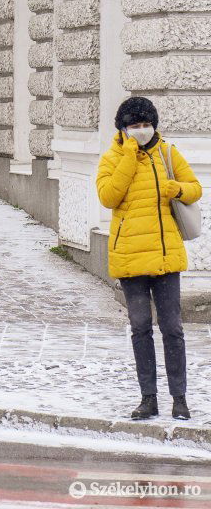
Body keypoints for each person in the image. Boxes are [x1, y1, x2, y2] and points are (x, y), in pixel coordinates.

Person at [96, 97, 201, 421]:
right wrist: (129, 156)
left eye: (146, 124)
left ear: (153, 125)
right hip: (130, 257)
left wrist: (177, 190)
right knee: (140, 328)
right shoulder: (113, 157)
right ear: (123, 128)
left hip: (165, 255)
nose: (141, 131)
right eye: (134, 125)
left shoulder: (167, 153)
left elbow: (194, 188)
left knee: (172, 328)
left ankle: (179, 398)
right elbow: (108, 197)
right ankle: (148, 398)